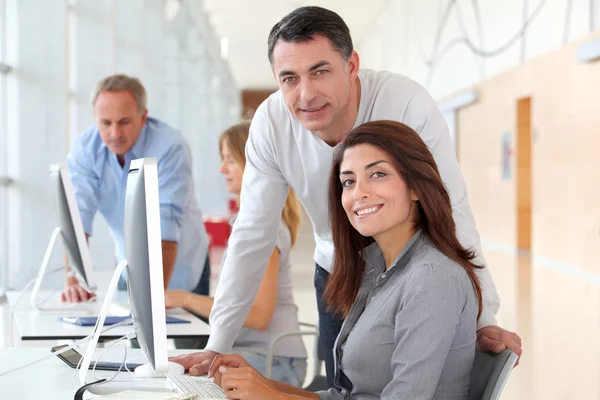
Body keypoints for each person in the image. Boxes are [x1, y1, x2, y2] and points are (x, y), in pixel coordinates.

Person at [173, 6, 522, 383]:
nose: (306, 94)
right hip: (339, 269)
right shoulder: (271, 123)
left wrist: (483, 318)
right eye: (289, 78)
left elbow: (452, 207)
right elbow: (251, 234)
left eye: (320, 71)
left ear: (351, 65)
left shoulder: (404, 102)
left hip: (412, 270)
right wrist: (218, 343)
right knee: (344, 385)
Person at [205, 120, 483, 399]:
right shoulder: (378, 269)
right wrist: (262, 385)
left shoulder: (432, 277)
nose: (358, 193)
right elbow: (344, 396)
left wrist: (272, 397)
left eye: (377, 174)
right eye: (348, 181)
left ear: (415, 187)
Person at [168, 122, 307, 386]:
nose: (222, 169)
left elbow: (259, 316)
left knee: (185, 381)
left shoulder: (267, 230)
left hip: (276, 361)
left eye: (230, 160)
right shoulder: (247, 223)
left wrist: (184, 298)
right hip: (252, 354)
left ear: (256, 165)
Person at [61, 74, 210, 300]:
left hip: (183, 266)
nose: (115, 134)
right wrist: (74, 283)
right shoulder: (86, 150)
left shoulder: (170, 148)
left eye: (124, 122)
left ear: (143, 117)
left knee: (191, 334)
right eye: (105, 123)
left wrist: (154, 301)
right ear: (95, 118)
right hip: (128, 265)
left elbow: (165, 226)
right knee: (129, 334)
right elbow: (77, 219)